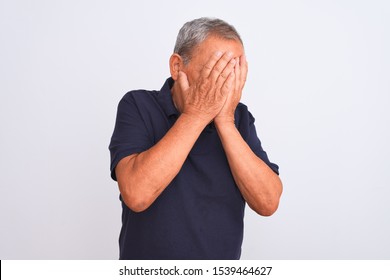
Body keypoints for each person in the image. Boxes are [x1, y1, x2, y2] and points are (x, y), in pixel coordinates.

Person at [109, 17, 283, 260]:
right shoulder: (138, 105)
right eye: (216, 72)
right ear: (177, 67)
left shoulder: (239, 118)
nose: (225, 84)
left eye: (233, 73)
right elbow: (137, 195)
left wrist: (225, 122)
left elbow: (268, 202)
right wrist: (197, 114)